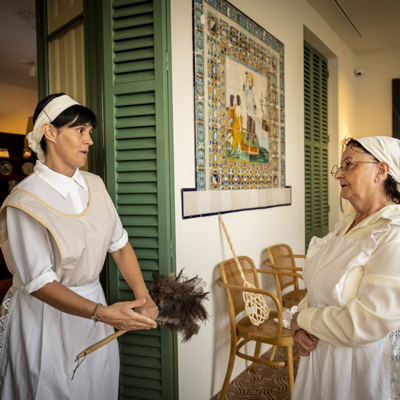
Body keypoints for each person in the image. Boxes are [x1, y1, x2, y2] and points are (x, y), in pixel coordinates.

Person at [0, 93, 158, 400]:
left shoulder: (95, 184)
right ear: (50, 132)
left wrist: (143, 296)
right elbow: (41, 283)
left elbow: (120, 245)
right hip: (46, 317)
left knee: (97, 384)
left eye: (90, 132)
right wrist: (102, 313)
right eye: (80, 131)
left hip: (96, 310)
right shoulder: (26, 201)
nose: (89, 140)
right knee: (53, 387)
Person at [290, 136, 400, 400]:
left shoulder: (392, 233)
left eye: (349, 164)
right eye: (340, 166)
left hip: (357, 370)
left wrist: (301, 319)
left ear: (381, 171)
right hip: (319, 360)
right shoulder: (344, 226)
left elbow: (366, 322)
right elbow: (319, 286)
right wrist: (298, 327)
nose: (339, 174)